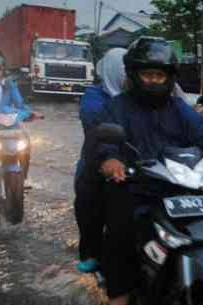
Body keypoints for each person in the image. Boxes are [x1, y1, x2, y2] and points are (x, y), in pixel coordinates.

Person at [89, 37, 203, 305]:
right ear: (134, 75)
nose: (155, 81)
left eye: (160, 75)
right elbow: (104, 140)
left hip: (176, 185)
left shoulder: (179, 109)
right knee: (120, 225)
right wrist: (111, 160)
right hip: (134, 186)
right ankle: (119, 296)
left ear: (169, 78)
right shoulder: (117, 107)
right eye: (148, 74)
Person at [74, 48, 128, 274]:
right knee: (90, 207)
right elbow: (97, 128)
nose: (128, 78)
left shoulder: (138, 98)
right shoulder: (94, 98)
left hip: (134, 162)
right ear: (113, 72)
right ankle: (91, 254)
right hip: (97, 163)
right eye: (124, 72)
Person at [0, 48, 37, 194]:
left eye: (0, 68)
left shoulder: (9, 85)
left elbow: (20, 104)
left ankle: (23, 176)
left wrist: (30, 112)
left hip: (8, 128)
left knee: (26, 143)